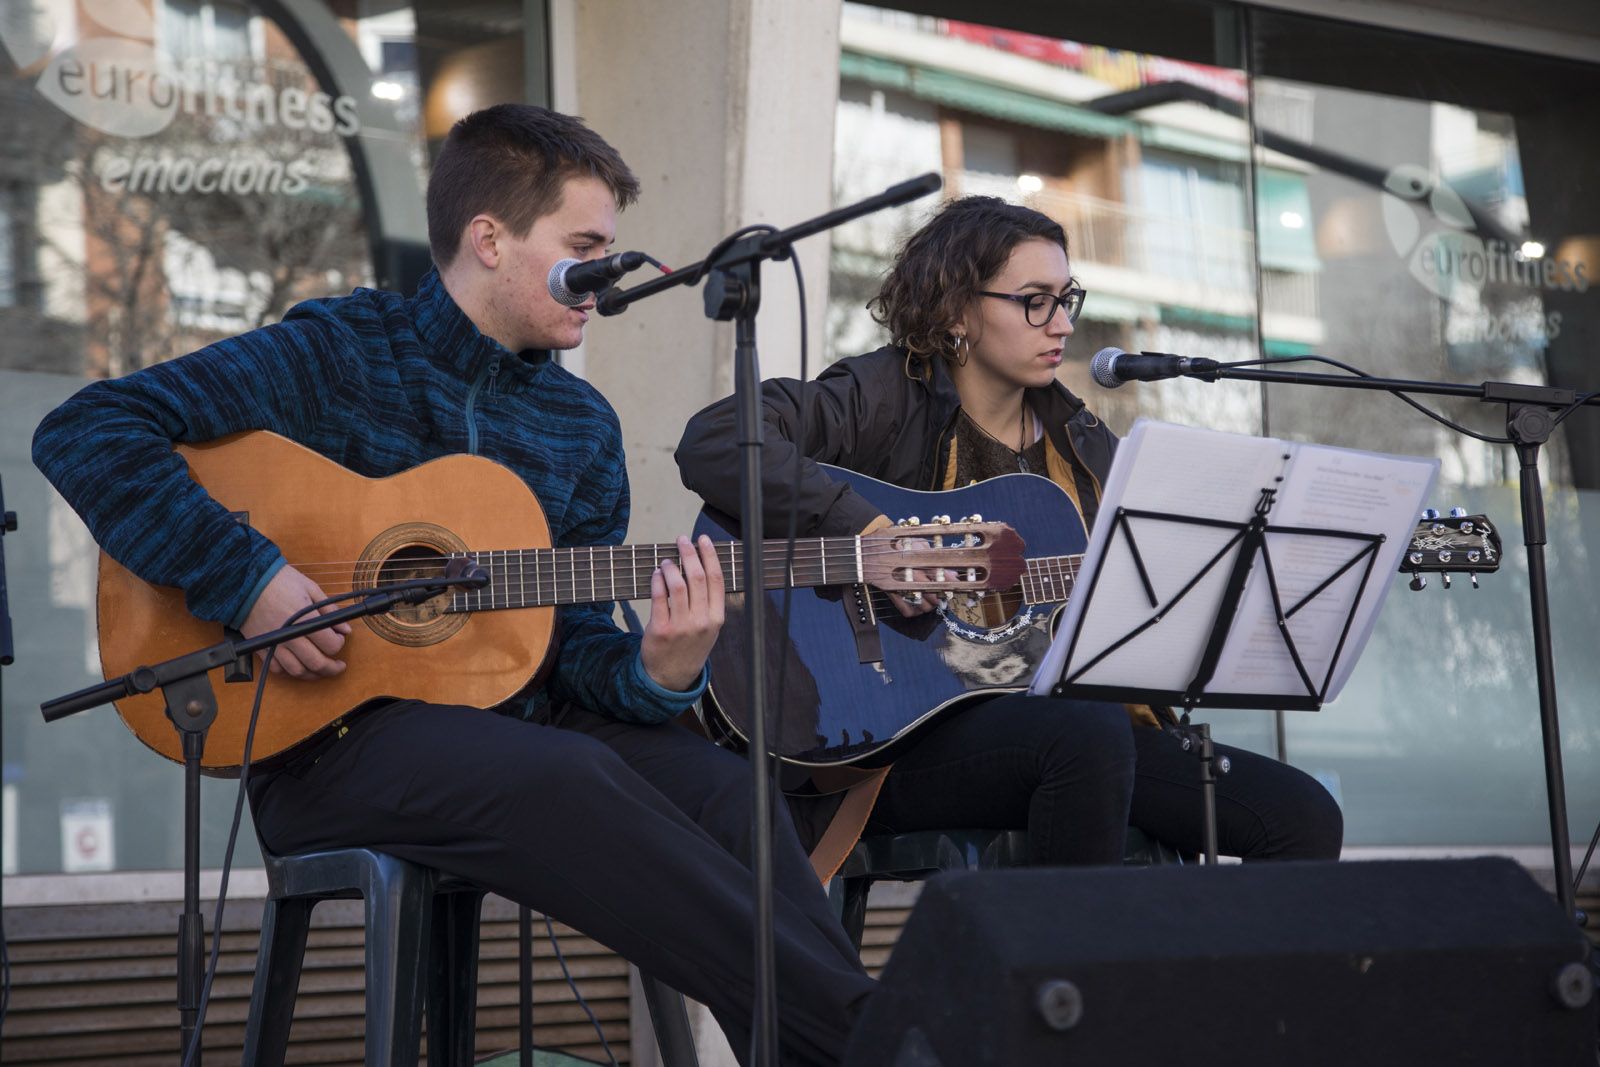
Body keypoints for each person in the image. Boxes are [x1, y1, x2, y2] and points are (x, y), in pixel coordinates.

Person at [33, 105, 873, 1066]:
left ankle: (832, 1046)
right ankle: (876, 1037)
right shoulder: (340, 354)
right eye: (586, 246)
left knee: (733, 796)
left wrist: (658, 672)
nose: (606, 275)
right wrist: (248, 575)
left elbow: (572, 646)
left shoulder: (581, 426)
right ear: (490, 240)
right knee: (571, 774)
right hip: (328, 740)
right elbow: (86, 430)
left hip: (519, 727)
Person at [675, 195, 1344, 874]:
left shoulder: (1082, 446)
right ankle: (1059, 976)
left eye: (1066, 299)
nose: (1061, 324)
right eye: (1034, 301)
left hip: (1077, 734)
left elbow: (1137, 593)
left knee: (1301, 816)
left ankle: (1188, 980)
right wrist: (871, 535)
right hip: (886, 741)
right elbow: (717, 440)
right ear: (958, 310)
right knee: (1085, 734)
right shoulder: (881, 396)